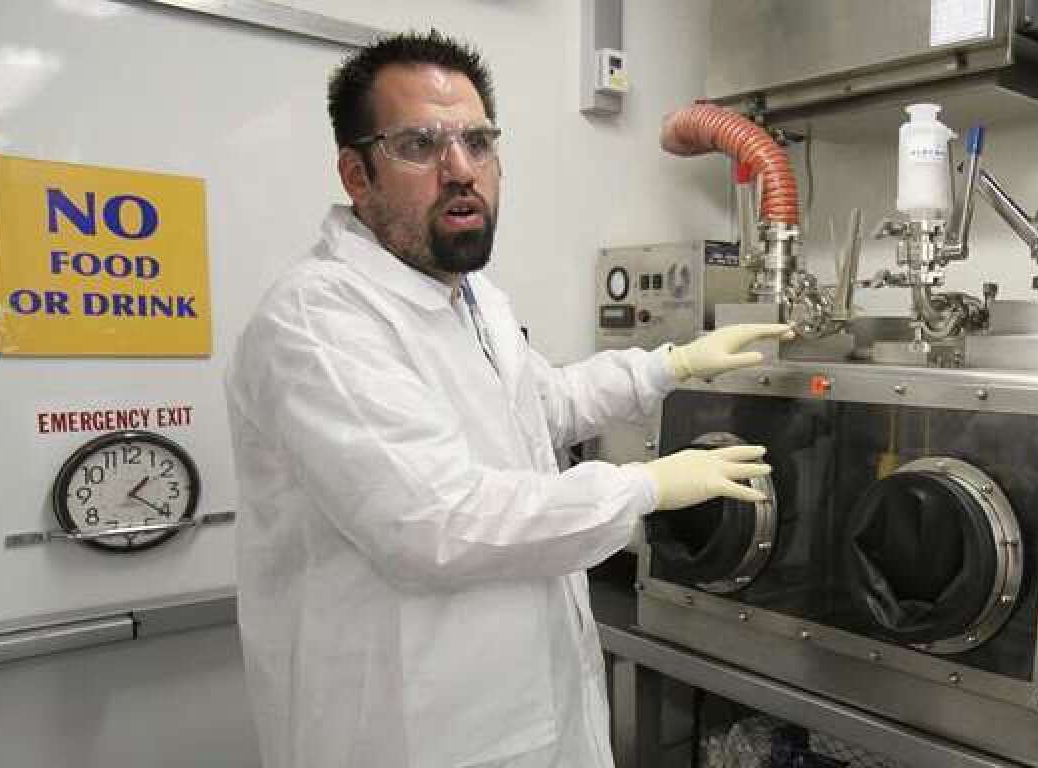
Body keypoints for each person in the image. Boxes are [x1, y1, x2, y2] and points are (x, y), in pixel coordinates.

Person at [225, 30, 793, 768]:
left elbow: (540, 403)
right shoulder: (318, 323)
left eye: (478, 141)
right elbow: (433, 523)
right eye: (419, 145)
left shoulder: (471, 298)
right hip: (403, 731)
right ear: (356, 173)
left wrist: (669, 364)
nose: (460, 170)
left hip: (528, 706)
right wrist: (643, 486)